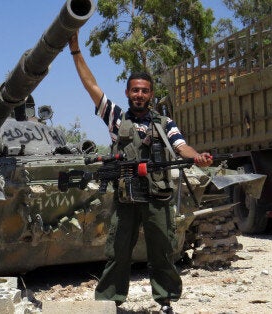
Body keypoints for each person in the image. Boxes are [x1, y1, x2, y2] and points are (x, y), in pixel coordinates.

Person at [68, 32, 213, 314]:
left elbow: (181, 146)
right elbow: (91, 85)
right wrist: (75, 50)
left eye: (145, 90)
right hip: (126, 195)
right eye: (135, 90)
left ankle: (165, 300)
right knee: (118, 251)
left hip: (157, 195)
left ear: (151, 94)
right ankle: (110, 303)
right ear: (127, 93)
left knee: (162, 249)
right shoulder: (116, 118)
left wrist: (198, 157)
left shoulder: (164, 122)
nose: (140, 95)